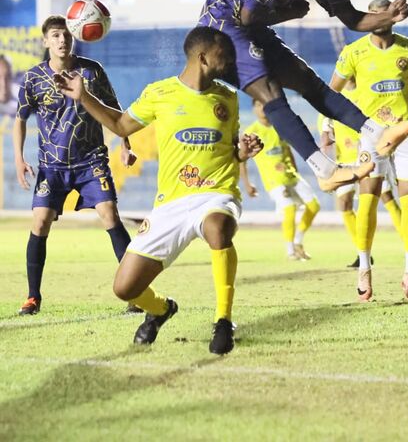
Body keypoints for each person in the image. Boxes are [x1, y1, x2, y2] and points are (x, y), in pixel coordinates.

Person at [53, 26, 263, 354]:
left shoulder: (229, 98)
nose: (231, 62)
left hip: (217, 194)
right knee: (125, 288)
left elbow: (231, 149)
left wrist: (243, 153)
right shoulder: (160, 94)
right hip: (172, 204)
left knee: (218, 227)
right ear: (203, 57)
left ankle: (223, 320)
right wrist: (83, 96)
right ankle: (161, 309)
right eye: (226, 55)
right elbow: (121, 125)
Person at [198, 0, 408, 192]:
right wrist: (291, 12)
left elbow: (353, 19)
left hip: (253, 28)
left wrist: (388, 17)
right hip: (222, 25)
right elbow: (248, 15)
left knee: (308, 81)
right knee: (271, 91)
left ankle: (378, 133)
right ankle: (325, 170)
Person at [14, 15, 136, 316]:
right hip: (52, 166)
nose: (62, 40)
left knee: (110, 215)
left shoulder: (92, 72)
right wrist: (19, 158)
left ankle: (137, 292)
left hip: (90, 160)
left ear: (76, 36)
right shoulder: (33, 78)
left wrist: (125, 144)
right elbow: (20, 118)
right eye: (55, 35)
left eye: (67, 34)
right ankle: (32, 297)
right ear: (46, 41)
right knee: (40, 222)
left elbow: (115, 111)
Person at [330, 0, 408, 301]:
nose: (383, 21)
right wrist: (340, 122)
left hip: (406, 132)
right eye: (377, 16)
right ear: (370, 18)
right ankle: (364, 267)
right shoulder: (354, 52)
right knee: (367, 201)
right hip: (371, 135)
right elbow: (331, 91)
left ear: (393, 18)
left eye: (387, 16)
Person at [318, 79, 402, 268]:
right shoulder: (332, 99)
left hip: (368, 155)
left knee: (386, 197)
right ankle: (362, 252)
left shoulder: (368, 93)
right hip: (345, 159)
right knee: (345, 204)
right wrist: (327, 140)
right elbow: (325, 133)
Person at [240, 99, 320, 261]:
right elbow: (242, 160)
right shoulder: (251, 132)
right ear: (254, 109)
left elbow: (287, 150)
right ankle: (290, 251)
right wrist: (247, 184)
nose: (261, 108)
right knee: (289, 209)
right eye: (257, 105)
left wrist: (295, 170)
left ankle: (298, 241)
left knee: (314, 205)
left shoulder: (279, 127)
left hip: (291, 176)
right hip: (274, 181)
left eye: (263, 104)